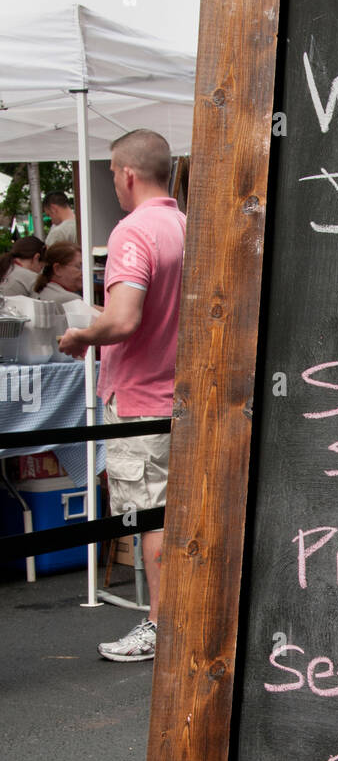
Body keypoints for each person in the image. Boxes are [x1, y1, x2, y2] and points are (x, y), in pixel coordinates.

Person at [57, 130, 185, 662]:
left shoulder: (133, 232)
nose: (112, 181)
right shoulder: (187, 226)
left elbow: (124, 319)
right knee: (181, 514)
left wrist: (82, 335)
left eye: (111, 172)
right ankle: (182, 618)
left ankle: (160, 625)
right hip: (187, 396)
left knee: (152, 516)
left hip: (141, 402)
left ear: (127, 173)